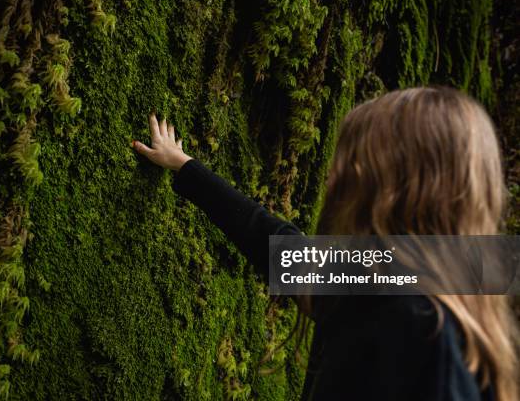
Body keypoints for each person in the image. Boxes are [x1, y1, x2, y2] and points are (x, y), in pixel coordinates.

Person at [132, 87, 519, 400]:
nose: (336, 175)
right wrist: (185, 166)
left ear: (397, 188)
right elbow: (278, 245)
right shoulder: (405, 283)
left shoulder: (414, 324)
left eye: (358, 161)